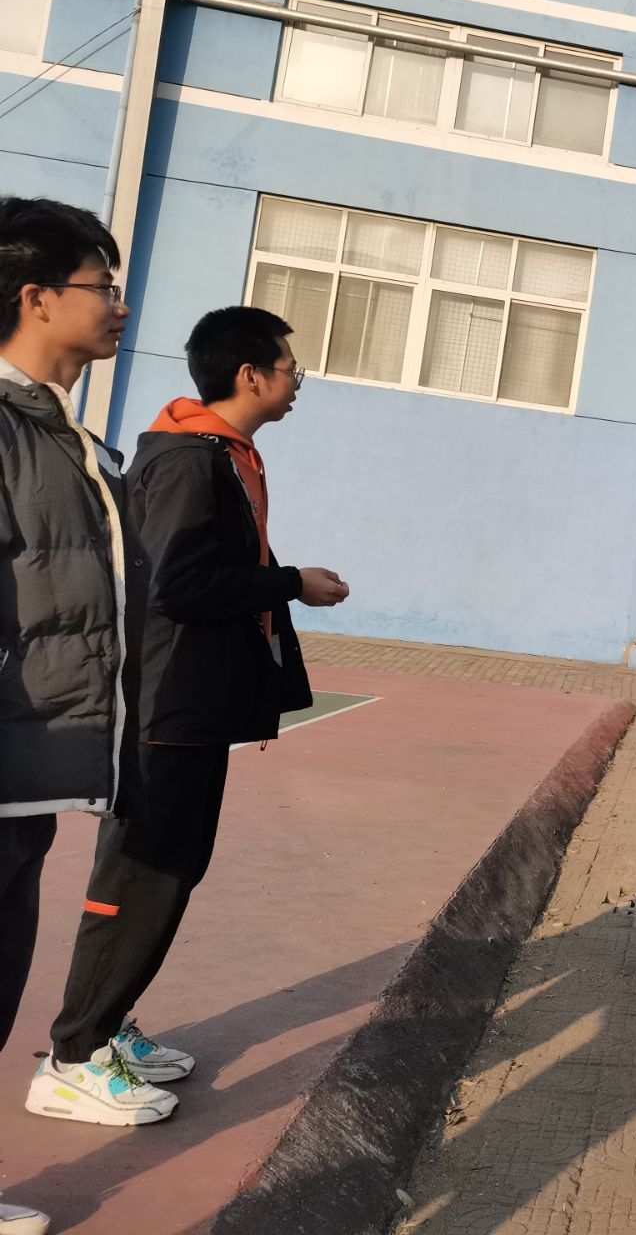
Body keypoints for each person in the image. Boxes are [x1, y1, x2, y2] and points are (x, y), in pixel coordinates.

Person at [30, 307, 349, 1128]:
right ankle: (74, 1057)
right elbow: (176, 584)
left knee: (172, 871)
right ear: (251, 375)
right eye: (290, 368)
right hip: (164, 707)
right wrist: (291, 582)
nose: (297, 382)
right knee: (141, 877)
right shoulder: (186, 460)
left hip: (192, 706)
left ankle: (106, 1029)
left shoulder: (220, 455)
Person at [0, 197, 149, 1230]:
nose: (120, 305)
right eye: (104, 285)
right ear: (38, 297)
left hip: (34, 767)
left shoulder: (63, 435)